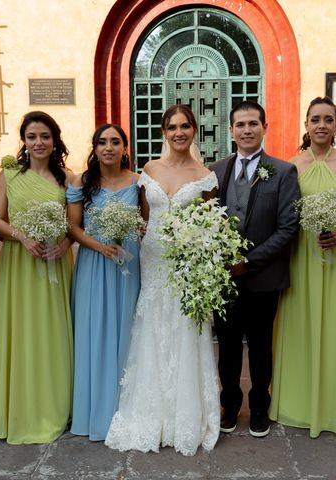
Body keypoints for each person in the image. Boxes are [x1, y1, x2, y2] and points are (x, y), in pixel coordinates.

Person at [105, 104, 220, 456]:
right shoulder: (149, 170)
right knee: (152, 327)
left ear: (194, 130)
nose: (179, 132)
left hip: (186, 266)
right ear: (163, 132)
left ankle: (185, 415)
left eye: (185, 126)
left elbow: (211, 224)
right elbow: (143, 219)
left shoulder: (206, 176)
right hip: (153, 261)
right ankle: (150, 413)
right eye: (172, 127)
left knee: (185, 328)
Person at [269, 97, 336, 436]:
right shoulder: (291, 166)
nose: (321, 125)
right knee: (298, 324)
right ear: (306, 126)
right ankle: (296, 401)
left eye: (328, 119)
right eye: (315, 119)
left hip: (335, 256)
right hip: (301, 254)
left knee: (335, 325)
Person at [209, 100, 300, 437]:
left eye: (253, 124)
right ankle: (229, 406)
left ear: (264, 127)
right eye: (240, 125)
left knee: (261, 346)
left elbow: (288, 228)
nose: (247, 130)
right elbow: (203, 222)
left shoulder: (283, 171)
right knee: (228, 346)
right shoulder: (215, 170)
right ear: (231, 130)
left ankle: (260, 406)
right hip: (223, 279)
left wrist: (248, 261)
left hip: (264, 277)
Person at [0, 111, 73, 444]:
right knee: (22, 332)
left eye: (45, 136)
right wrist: (21, 237)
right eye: (32, 136)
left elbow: (73, 224)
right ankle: (22, 409)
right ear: (23, 140)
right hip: (19, 264)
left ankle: (54, 406)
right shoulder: (8, 175)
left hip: (54, 262)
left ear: (55, 140)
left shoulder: (68, 178)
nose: (39, 142)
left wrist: (63, 244)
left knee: (51, 332)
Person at [67, 124, 141, 440]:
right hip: (94, 263)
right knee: (94, 330)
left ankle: (127, 409)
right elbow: (72, 227)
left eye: (115, 142)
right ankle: (94, 409)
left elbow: (146, 224)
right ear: (94, 148)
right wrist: (99, 245)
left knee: (127, 331)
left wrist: (129, 234)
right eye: (102, 142)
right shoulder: (81, 183)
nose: (108, 147)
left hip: (128, 264)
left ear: (125, 148)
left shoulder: (139, 183)